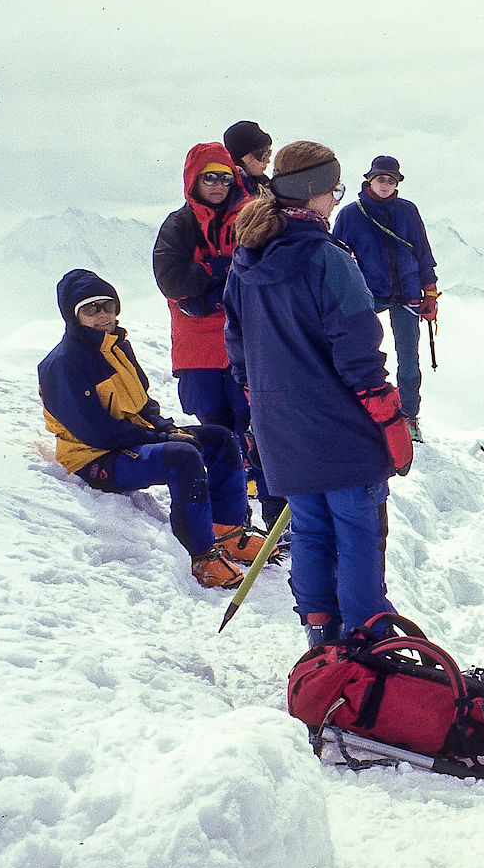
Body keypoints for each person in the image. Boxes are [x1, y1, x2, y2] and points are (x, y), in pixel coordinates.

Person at [223, 141, 415, 647]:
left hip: (282, 431)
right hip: (343, 430)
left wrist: (259, 410)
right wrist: (390, 417)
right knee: (357, 536)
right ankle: (363, 642)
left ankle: (320, 637)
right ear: (313, 193)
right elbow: (358, 348)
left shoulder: (245, 261)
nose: (336, 200)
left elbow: (237, 346)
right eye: (334, 190)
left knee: (309, 531)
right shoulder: (328, 259)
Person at [38, 269, 275, 589]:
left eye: (107, 305)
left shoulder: (116, 347)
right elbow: (95, 432)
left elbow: (143, 404)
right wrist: (161, 437)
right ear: (73, 315)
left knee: (219, 439)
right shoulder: (63, 364)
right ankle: (202, 555)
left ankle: (228, 531)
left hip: (129, 442)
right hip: (94, 459)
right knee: (182, 457)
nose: (102, 314)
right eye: (90, 309)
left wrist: (166, 427)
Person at [152, 141, 287, 535]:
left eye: (225, 177)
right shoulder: (178, 225)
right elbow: (172, 280)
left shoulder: (248, 216)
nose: (218, 184)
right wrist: (225, 275)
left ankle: (278, 521)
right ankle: (232, 523)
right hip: (200, 356)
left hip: (243, 348)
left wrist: (208, 280)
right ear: (193, 180)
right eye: (209, 177)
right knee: (220, 439)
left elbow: (259, 270)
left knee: (259, 433)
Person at [330, 155, 439, 443]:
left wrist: (430, 292)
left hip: (406, 293)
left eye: (391, 180)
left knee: (409, 360)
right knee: (359, 354)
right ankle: (362, 409)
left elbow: (423, 253)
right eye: (381, 179)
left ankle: (409, 415)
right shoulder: (351, 215)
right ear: (369, 179)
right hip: (366, 295)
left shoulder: (408, 211)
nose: (385, 184)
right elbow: (336, 257)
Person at [224, 120, 273, 196]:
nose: (268, 160)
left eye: (269, 154)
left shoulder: (264, 184)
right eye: (262, 155)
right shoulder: (226, 188)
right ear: (241, 157)